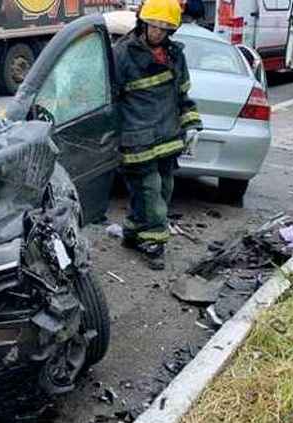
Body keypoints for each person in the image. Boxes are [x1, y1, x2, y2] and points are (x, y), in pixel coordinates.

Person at [112, 0, 203, 270]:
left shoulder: (176, 55)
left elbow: (182, 95)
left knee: (164, 187)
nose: (157, 33)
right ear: (143, 22)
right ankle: (154, 241)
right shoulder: (123, 54)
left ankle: (132, 230)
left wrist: (193, 125)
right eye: (154, 26)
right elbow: (112, 99)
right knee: (150, 189)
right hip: (136, 138)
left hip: (167, 136)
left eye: (164, 29)